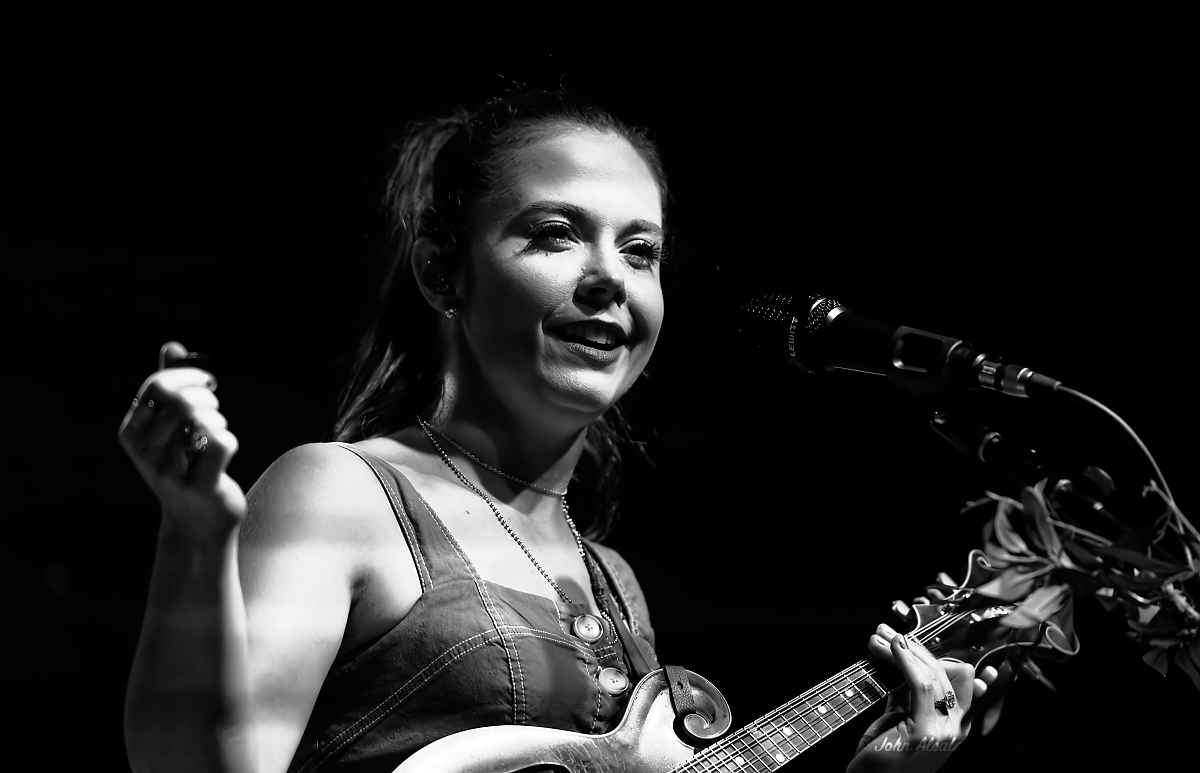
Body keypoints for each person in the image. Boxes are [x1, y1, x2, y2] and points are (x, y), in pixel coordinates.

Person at [119, 89, 998, 773]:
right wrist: (197, 537)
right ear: (440, 272)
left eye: (641, 250)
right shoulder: (341, 490)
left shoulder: (614, 582)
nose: (608, 279)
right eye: (554, 236)